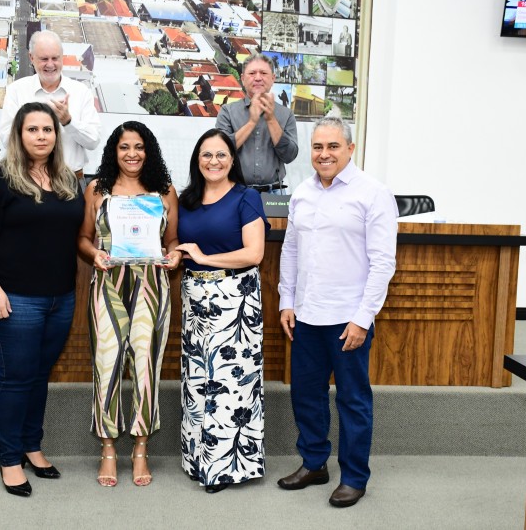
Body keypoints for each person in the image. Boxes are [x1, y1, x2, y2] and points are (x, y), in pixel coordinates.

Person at [0, 102, 85, 497]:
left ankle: (32, 445)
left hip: (60, 297)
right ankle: (10, 459)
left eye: (47, 129)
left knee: (38, 376)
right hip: (13, 298)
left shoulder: (65, 178)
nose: (41, 136)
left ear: (56, 134)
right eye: (33, 129)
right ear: (19, 134)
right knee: (15, 380)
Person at [276, 116, 397, 508]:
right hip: (307, 317)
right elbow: (290, 250)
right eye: (317, 147)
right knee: (306, 397)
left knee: (352, 400)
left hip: (348, 321)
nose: (323, 154)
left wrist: (363, 318)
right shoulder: (302, 194)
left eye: (332, 146)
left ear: (349, 148)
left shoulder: (373, 194)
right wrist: (286, 300)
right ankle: (314, 464)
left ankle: (355, 477)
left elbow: (383, 263)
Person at [77, 121, 181, 488]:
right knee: (106, 363)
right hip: (109, 283)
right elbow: (84, 239)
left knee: (145, 365)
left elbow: (172, 242)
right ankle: (108, 449)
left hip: (152, 285)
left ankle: (140, 449)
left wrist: (174, 258)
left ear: (148, 150)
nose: (132, 154)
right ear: (114, 151)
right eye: (124, 147)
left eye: (139, 146)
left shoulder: (164, 192)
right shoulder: (97, 189)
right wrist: (95, 255)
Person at [176, 129, 270, 494]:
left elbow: (254, 254)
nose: (213, 161)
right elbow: (177, 243)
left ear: (233, 159)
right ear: (197, 160)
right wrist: (177, 255)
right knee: (199, 379)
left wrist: (204, 257)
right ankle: (198, 460)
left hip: (235, 296)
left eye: (220, 155)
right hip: (195, 295)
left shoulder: (247, 198)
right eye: (206, 155)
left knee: (231, 383)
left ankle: (227, 468)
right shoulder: (187, 199)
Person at [0, 30, 101, 178]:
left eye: (55, 58)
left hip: (70, 178)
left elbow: (93, 141)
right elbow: (6, 139)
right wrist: (33, 129)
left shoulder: (81, 91)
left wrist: (68, 122)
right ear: (31, 58)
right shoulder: (16, 90)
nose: (50, 64)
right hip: (27, 179)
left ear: (62, 57)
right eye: (44, 59)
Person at [216, 53, 298, 193]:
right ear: (242, 79)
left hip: (274, 193)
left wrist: (271, 119)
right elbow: (220, 152)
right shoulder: (227, 111)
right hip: (235, 191)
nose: (258, 78)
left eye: (264, 73)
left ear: (273, 79)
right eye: (252, 73)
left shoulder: (286, 114)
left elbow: (289, 156)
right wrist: (252, 122)